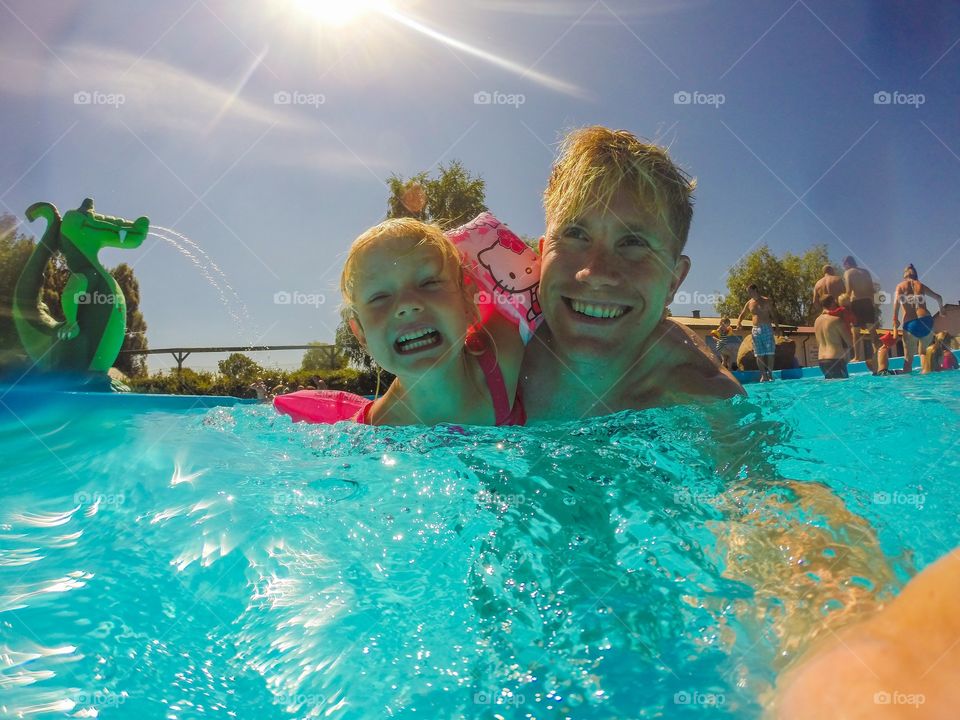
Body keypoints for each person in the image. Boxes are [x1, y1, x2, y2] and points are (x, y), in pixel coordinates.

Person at [518, 126, 742, 420]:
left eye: (634, 243)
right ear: (543, 252)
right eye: (575, 233)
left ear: (674, 281)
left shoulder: (710, 404)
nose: (595, 273)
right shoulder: (487, 358)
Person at [277, 218, 525, 426]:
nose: (406, 305)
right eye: (380, 297)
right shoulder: (371, 433)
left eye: (429, 282)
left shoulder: (505, 353)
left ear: (469, 303)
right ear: (361, 333)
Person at [893, 264, 945, 373]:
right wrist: (941, 310)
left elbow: (896, 302)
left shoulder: (900, 286)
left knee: (908, 359)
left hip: (910, 324)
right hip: (926, 321)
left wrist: (895, 319)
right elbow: (939, 297)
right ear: (915, 275)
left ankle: (911, 388)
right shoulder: (920, 285)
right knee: (923, 353)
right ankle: (926, 378)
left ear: (904, 275)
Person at [736, 284, 783, 383]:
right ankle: (763, 375)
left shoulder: (766, 301)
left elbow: (773, 315)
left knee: (770, 353)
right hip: (756, 330)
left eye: (750, 291)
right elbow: (742, 314)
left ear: (755, 289)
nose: (748, 293)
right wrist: (739, 322)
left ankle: (770, 374)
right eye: (748, 292)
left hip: (767, 328)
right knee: (758, 354)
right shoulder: (749, 303)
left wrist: (777, 328)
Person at [841, 256, 881, 366]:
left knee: (856, 331)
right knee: (872, 331)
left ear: (847, 264)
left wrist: (843, 302)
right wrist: (873, 303)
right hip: (868, 302)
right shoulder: (865, 272)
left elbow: (849, 290)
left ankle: (857, 357)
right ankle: (877, 354)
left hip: (856, 303)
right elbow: (871, 289)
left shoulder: (848, 272)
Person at [813, 294, 850, 379]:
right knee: (842, 389)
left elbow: (818, 342)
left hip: (821, 361)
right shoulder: (836, 320)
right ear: (833, 303)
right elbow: (849, 341)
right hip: (835, 359)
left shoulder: (816, 322)